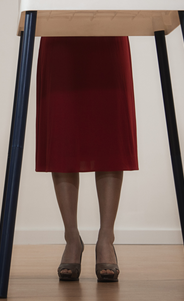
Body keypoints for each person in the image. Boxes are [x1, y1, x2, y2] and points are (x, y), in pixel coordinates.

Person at [35, 36, 138, 283]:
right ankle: (72, 238)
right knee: (63, 134)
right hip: (59, 26)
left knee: (109, 132)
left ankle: (106, 238)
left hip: (108, 24)